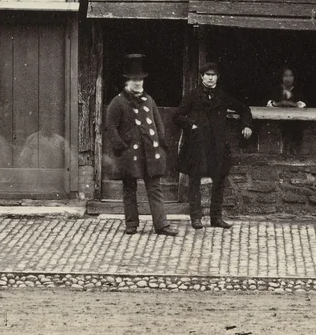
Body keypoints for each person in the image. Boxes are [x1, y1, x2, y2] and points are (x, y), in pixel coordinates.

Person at [104, 54, 179, 237]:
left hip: (151, 153)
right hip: (130, 154)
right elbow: (110, 127)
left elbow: (158, 122)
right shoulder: (118, 102)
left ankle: (161, 225)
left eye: (140, 80)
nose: (137, 83)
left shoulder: (149, 100)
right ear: (127, 81)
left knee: (155, 188)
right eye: (133, 80)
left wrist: (161, 142)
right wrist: (120, 147)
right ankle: (131, 224)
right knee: (129, 189)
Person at [175, 62, 253, 229]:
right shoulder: (192, 95)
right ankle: (196, 217)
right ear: (202, 76)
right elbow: (177, 116)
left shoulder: (222, 96)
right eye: (207, 74)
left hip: (217, 145)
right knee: (194, 180)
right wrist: (191, 125)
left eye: (213, 75)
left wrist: (247, 125)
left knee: (219, 181)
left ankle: (215, 218)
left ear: (218, 77)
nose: (210, 78)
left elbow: (243, 108)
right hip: (198, 144)